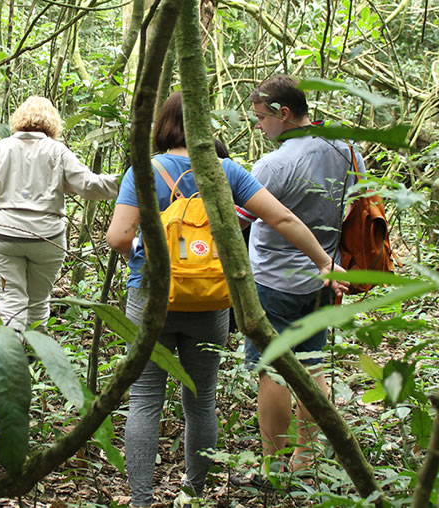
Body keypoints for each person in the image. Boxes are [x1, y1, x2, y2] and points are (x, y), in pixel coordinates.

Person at [104, 91, 341, 508]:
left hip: (151, 299)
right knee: (201, 401)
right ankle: (193, 494)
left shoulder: (145, 170)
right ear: (203, 124)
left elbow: (119, 236)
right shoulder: (226, 170)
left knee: (144, 401)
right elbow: (281, 217)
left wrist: (140, 263)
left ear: (162, 125)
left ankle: (141, 501)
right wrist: (324, 261)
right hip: (210, 300)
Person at [243, 74, 357, 479]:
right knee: (313, 365)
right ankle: (306, 460)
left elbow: (240, 216)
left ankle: (273, 466)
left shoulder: (275, 164)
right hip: (325, 273)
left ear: (284, 113)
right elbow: (355, 201)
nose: (259, 126)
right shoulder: (345, 147)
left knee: (272, 368)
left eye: (262, 118)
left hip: (274, 279)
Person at [0, 96, 118, 331]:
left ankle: (13, 351)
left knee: (10, 302)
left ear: (19, 119)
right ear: (53, 122)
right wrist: (129, 180)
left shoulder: (3, 147)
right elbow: (89, 186)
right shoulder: (57, 151)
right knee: (39, 303)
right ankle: (35, 349)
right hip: (46, 238)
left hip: (4, 236)